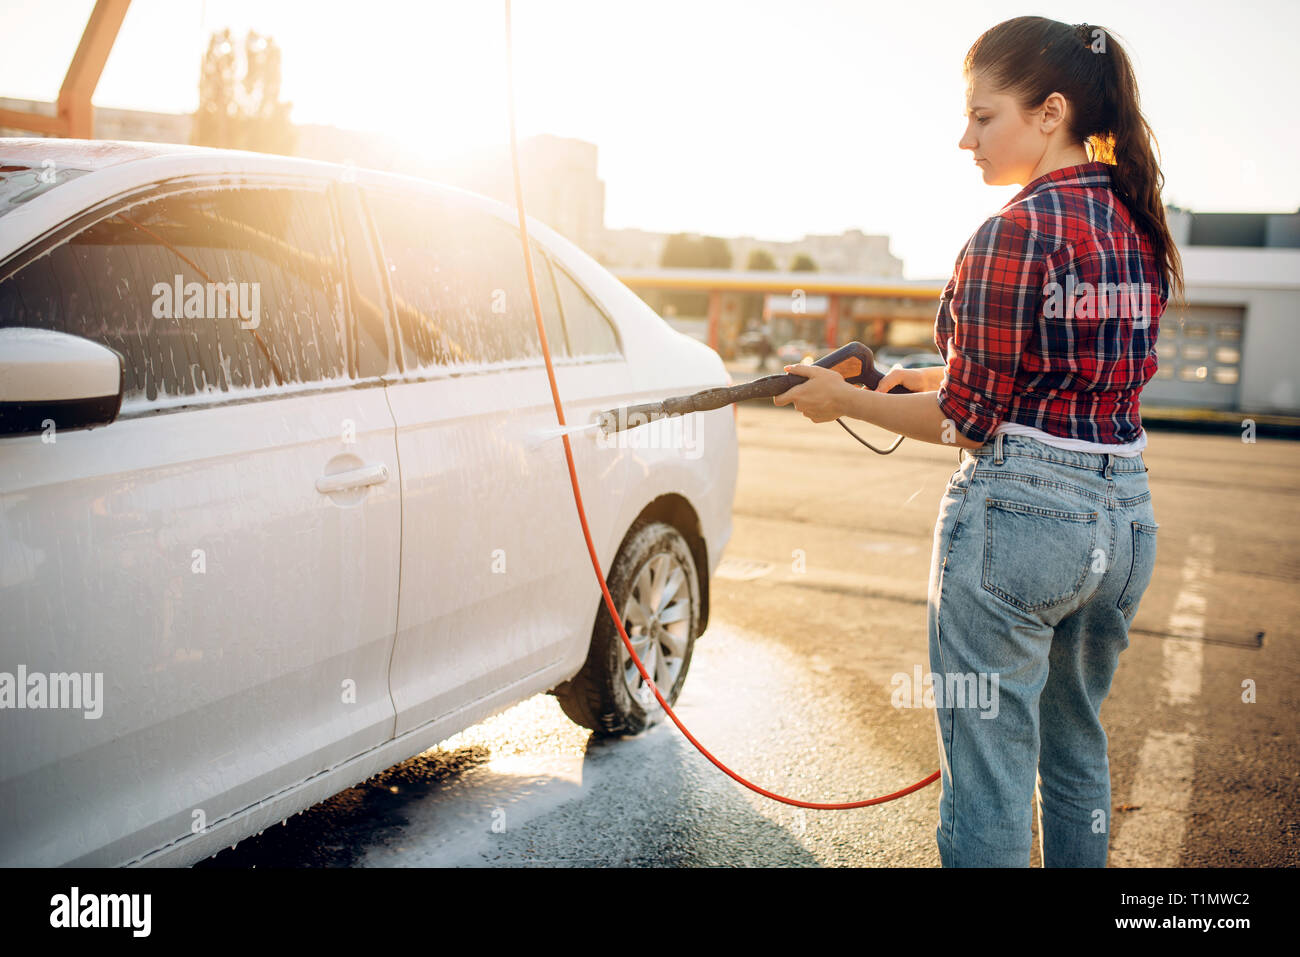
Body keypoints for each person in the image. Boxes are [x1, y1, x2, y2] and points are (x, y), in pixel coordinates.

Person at [774, 15, 1185, 866]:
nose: (965, 137)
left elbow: (970, 420)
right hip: (1126, 520)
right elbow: (1058, 370)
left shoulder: (1013, 230)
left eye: (984, 115)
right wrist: (920, 376)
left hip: (1023, 525)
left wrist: (843, 401)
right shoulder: (1136, 221)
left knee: (990, 775)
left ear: (1050, 112)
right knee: (1076, 750)